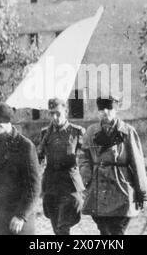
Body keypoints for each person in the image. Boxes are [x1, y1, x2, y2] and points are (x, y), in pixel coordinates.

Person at [79, 95, 147, 235]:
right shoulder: (91, 132)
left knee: (117, 231)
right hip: (98, 191)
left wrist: (143, 193)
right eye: (101, 109)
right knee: (104, 231)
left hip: (121, 188)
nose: (105, 112)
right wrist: (86, 179)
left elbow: (138, 163)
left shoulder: (127, 132)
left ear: (116, 110)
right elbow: (83, 158)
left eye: (109, 108)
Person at [0, 102, 40, 235]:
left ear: (8, 123)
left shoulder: (25, 147)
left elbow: (34, 187)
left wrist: (21, 216)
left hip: (17, 216)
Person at [38, 98, 86, 235]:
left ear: (66, 111)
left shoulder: (77, 132)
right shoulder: (45, 133)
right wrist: (40, 150)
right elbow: (39, 158)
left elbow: (87, 157)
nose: (54, 117)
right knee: (57, 227)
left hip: (70, 185)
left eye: (58, 113)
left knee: (62, 226)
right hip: (51, 184)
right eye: (51, 113)